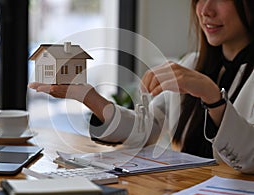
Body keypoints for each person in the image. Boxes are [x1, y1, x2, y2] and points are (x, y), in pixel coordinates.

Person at [29, 0, 254, 173]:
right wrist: (89, 96)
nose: (205, 10)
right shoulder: (192, 64)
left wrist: (212, 96)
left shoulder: (201, 78)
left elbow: (249, 158)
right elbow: (144, 130)